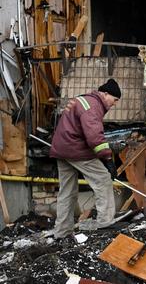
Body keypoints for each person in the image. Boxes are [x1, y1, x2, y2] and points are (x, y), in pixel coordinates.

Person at [50, 79, 121, 239]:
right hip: (76, 150)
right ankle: (105, 223)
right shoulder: (92, 106)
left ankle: (62, 232)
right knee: (103, 179)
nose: (115, 104)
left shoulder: (83, 100)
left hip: (62, 149)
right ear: (105, 93)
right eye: (115, 99)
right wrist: (108, 160)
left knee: (67, 191)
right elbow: (95, 137)